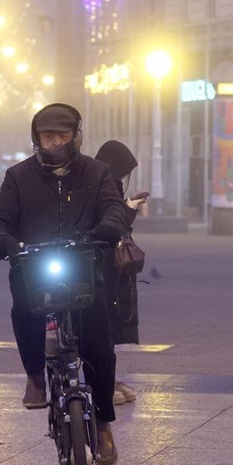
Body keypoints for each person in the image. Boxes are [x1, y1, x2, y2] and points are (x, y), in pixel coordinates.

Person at [0, 103, 127, 465]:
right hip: (33, 266)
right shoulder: (18, 176)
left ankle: (105, 422)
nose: (55, 143)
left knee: (99, 343)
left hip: (82, 265)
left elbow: (113, 208)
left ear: (76, 136)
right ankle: (34, 375)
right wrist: (1, 240)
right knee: (24, 310)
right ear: (37, 140)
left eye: (62, 136)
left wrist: (110, 227)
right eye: (48, 137)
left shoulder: (97, 172)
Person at [94, 140, 148, 407]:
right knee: (103, 328)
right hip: (103, 268)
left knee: (111, 327)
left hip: (114, 270)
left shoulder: (109, 186)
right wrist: (129, 208)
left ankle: (109, 379)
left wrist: (129, 206)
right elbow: (111, 227)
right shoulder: (102, 188)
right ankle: (102, 382)